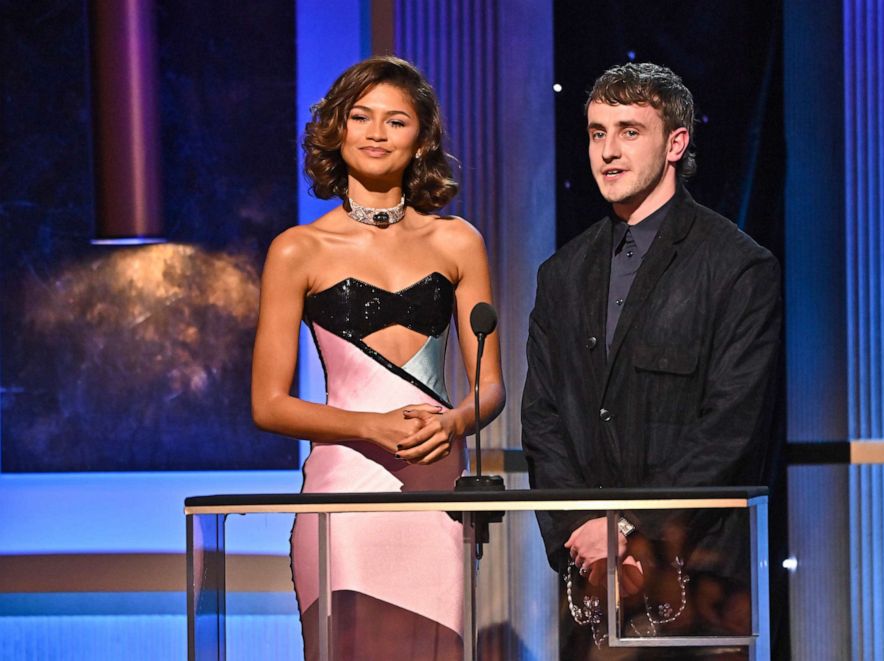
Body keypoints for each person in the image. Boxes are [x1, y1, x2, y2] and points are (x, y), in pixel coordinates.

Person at [521, 62, 781, 657]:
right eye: (596, 132)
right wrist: (579, 530)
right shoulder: (560, 274)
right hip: (591, 581)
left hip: (698, 573)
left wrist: (631, 522)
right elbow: (542, 417)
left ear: (676, 142)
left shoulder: (737, 267)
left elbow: (731, 426)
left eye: (630, 131)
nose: (608, 151)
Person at [251, 56, 505, 661]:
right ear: (336, 131)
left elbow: (490, 386)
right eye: (360, 116)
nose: (375, 132)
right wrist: (371, 426)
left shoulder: (457, 240)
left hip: (435, 487)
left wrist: (453, 422)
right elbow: (268, 404)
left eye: (396, 121)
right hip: (346, 495)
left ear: (422, 142)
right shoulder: (297, 249)